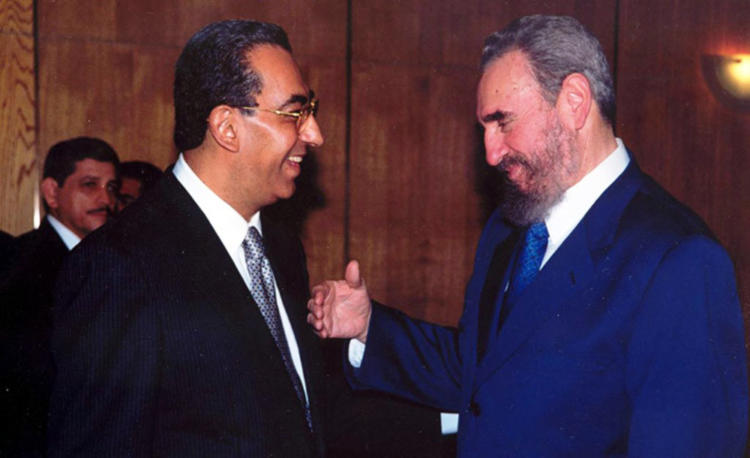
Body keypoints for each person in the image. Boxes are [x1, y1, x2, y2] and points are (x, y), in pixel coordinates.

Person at [308, 15, 748, 457]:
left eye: (503, 122)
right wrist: (369, 328)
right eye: (484, 128)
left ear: (574, 102)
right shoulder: (510, 228)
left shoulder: (679, 259)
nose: (491, 152)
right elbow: (483, 373)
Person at [46, 20, 329, 458]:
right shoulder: (121, 266)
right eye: (295, 113)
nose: (314, 133)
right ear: (226, 127)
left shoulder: (281, 247)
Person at [1, 137, 119, 457]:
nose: (105, 199)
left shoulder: (116, 263)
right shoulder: (19, 264)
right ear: (52, 193)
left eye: (111, 187)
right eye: (90, 184)